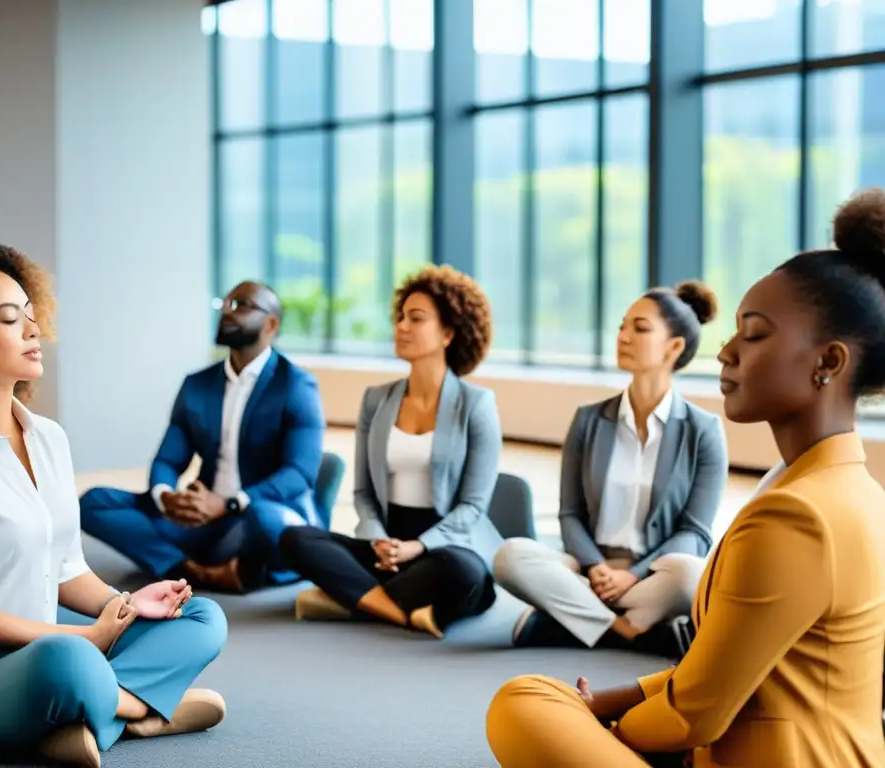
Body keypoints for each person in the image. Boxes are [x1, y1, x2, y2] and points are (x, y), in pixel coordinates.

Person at [484, 189, 885, 767]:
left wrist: (610, 734)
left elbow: (697, 711)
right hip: (791, 734)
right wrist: (606, 703)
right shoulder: (845, 487)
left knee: (522, 702)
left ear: (828, 362)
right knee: (547, 686)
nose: (725, 352)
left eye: (754, 333)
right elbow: (720, 676)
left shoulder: (795, 513)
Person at [0, 244, 228, 767]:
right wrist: (90, 636)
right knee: (68, 660)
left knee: (201, 617)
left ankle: (85, 716)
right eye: (11, 319)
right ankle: (136, 709)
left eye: (32, 317)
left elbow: (63, 568)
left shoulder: (49, 439)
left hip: (51, 645)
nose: (34, 332)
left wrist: (123, 604)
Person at [492, 281, 727, 656]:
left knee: (690, 576)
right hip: (586, 574)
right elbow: (570, 514)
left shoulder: (704, 431)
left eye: (640, 328)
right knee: (511, 556)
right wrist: (595, 566)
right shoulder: (588, 420)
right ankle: (629, 631)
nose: (623, 336)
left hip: (652, 580)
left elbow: (695, 533)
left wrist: (632, 575)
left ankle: (567, 623)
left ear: (675, 347)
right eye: (622, 326)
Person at [279, 265, 501, 638]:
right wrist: (379, 539)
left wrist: (418, 546)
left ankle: (349, 598)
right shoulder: (376, 400)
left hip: (442, 547)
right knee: (294, 538)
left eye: (416, 319)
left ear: (448, 333)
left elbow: (473, 507)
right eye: (400, 317)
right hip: (384, 548)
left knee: (466, 574)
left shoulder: (477, 404)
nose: (401, 326)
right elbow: (364, 493)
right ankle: (398, 611)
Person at [79, 281, 326, 593]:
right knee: (95, 502)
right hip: (204, 521)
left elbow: (299, 474)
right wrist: (167, 496)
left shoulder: (296, 385)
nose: (227, 310)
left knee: (266, 519)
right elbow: (168, 458)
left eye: (241, 305)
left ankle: (262, 570)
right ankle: (189, 570)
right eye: (224, 304)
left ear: (271, 324)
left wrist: (229, 504)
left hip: (260, 516)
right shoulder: (197, 384)